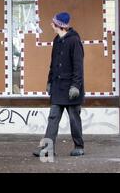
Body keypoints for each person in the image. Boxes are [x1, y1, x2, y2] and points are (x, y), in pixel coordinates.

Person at [33, 12, 85, 157]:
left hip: (71, 89)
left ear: (60, 25)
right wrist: (49, 81)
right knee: (53, 117)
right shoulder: (56, 40)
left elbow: (78, 66)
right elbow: (53, 64)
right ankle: (47, 149)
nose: (51, 24)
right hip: (58, 87)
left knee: (74, 119)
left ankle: (79, 146)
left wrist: (76, 85)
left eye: (53, 23)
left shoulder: (74, 41)